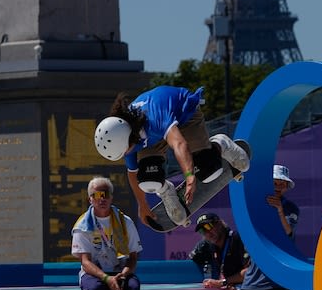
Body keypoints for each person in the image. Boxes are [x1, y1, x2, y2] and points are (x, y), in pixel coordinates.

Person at [94, 86, 250, 227]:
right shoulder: (125, 137)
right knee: (148, 180)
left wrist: (190, 177)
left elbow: (179, 144)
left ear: (129, 137)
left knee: (208, 171)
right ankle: (166, 191)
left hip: (185, 116)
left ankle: (219, 145)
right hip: (150, 135)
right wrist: (143, 205)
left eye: (126, 150)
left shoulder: (156, 117)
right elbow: (132, 174)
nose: (127, 153)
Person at [70, 177, 142, 290]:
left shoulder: (125, 222)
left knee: (133, 288)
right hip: (94, 273)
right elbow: (85, 262)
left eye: (106, 194)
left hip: (120, 270)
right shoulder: (82, 226)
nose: (102, 199)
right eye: (97, 195)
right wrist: (106, 279)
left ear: (111, 197)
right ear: (90, 199)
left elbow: (133, 258)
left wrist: (124, 273)